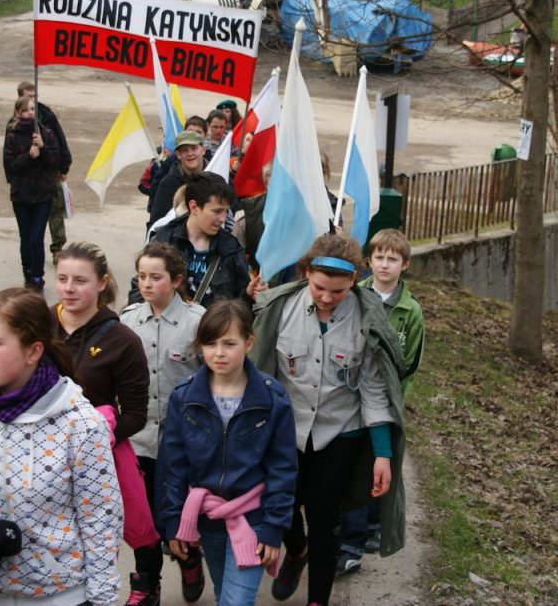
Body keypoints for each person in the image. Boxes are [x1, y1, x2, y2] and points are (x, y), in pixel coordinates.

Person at [0, 288, 123, 606]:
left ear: (33, 352)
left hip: (62, 597)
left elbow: (101, 518)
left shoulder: (80, 424)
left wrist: (101, 600)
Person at [250, 234, 407, 606]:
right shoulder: (280, 310)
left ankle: (317, 598)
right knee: (281, 505)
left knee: (325, 518)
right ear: (306, 273)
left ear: (353, 280)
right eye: (319, 287)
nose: (325, 297)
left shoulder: (366, 319)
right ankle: (297, 551)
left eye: (337, 291)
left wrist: (382, 454)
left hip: (339, 434)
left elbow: (373, 391)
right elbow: (263, 376)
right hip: (287, 432)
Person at [156, 300, 297, 606]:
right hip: (208, 518)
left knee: (236, 601)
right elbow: (173, 466)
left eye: (229, 343)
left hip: (254, 516)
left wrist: (274, 527)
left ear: (249, 342)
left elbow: (283, 468)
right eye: (210, 344)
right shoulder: (184, 397)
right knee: (225, 596)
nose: (218, 353)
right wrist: (173, 521)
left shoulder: (272, 398)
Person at [52, 241, 157, 605]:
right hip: (39, 457)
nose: (68, 288)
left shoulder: (123, 340)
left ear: (101, 283)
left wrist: (93, 436)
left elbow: (136, 414)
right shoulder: (36, 326)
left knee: (96, 543)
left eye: (79, 280)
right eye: (62, 278)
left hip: (94, 462)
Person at [122, 242, 207, 604]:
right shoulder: (127, 322)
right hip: (139, 439)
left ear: (176, 280)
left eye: (155, 277)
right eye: (141, 276)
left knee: (177, 512)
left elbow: (211, 378)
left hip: (182, 441)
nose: (146, 283)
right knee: (143, 518)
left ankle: (189, 559)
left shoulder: (197, 322)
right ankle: (148, 583)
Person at [337, 228, 425, 575]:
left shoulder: (410, 310)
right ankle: (351, 537)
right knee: (353, 467)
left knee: (379, 461)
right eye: (379, 257)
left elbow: (411, 360)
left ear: (405, 264)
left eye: (392, 259)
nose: (385, 265)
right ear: (369, 261)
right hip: (349, 398)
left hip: (385, 402)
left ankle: (372, 524)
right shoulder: (355, 296)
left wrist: (394, 402)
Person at [131, 172, 263, 306]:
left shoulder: (231, 248)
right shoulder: (164, 239)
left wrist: (248, 295)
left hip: (215, 320)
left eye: (226, 211)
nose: (223, 219)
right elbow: (138, 292)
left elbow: (239, 307)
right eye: (217, 211)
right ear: (194, 207)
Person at [4, 95, 60, 293]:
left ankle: (38, 277)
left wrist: (43, 148)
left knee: (37, 238)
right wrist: (28, 156)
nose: (30, 113)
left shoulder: (46, 134)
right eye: (26, 110)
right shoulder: (12, 136)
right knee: (26, 238)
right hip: (21, 195)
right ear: (18, 113)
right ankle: (27, 273)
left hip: (43, 195)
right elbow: (10, 166)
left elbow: (54, 163)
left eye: (32, 109)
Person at [17, 81, 73, 265]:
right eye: (28, 97)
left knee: (55, 209)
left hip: (49, 168)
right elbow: (10, 153)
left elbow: (60, 139)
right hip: (27, 176)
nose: (32, 101)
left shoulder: (46, 115)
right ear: (20, 97)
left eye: (34, 96)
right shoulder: (14, 123)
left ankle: (57, 248)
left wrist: (64, 165)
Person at [148, 130, 207, 229]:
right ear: (178, 155)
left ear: (203, 150)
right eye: (184, 150)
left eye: (194, 148)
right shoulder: (168, 184)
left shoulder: (217, 175)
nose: (190, 153)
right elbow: (158, 221)